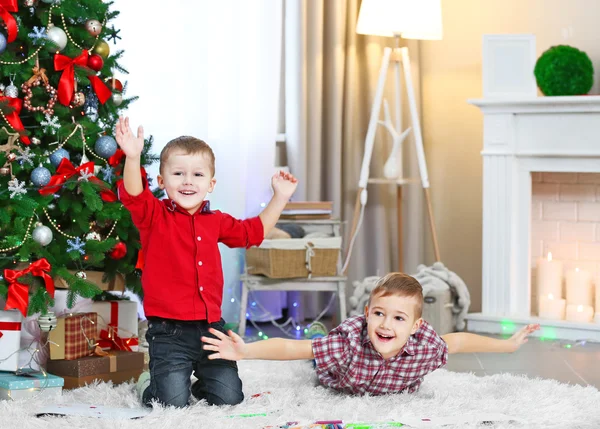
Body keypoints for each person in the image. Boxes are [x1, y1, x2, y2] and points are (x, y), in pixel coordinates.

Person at [115, 116, 298, 407]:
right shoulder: (154, 215)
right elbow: (134, 195)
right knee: (170, 402)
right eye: (178, 174)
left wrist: (281, 197)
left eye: (198, 175)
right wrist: (133, 157)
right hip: (169, 331)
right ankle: (152, 383)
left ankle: (198, 378)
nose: (188, 181)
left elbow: (252, 234)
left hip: (212, 328)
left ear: (210, 184)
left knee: (229, 398)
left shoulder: (217, 221)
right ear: (162, 181)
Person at [202, 272, 540, 396]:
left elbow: (461, 340)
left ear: (416, 326)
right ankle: (323, 327)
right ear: (367, 314)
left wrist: (507, 346)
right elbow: (295, 348)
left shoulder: (426, 346)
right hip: (338, 373)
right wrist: (247, 351)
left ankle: (322, 329)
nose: (385, 325)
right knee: (318, 346)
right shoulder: (347, 343)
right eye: (378, 314)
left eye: (397, 318)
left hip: (390, 380)